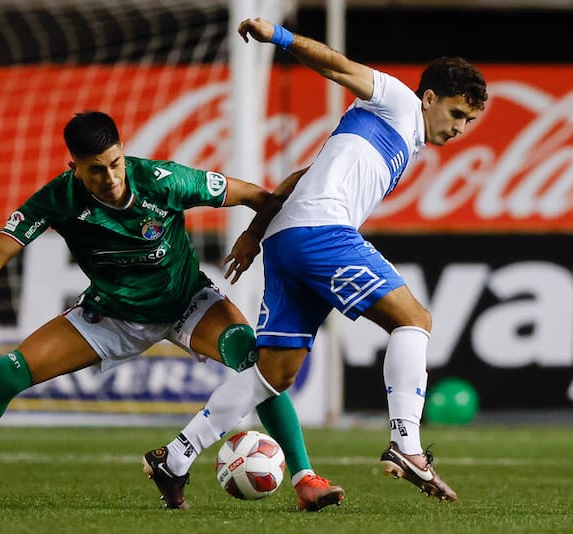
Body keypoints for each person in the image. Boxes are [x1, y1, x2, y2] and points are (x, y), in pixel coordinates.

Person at [0, 111, 343, 511]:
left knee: (256, 364)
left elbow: (259, 196)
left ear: (123, 154)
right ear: (74, 168)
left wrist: (255, 236)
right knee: (6, 373)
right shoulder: (57, 200)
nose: (109, 178)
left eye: (115, 163)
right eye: (95, 170)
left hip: (187, 302)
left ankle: (304, 479)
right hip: (111, 315)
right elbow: (2, 248)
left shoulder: (163, 180)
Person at [142, 18, 488, 505]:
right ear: (429, 97)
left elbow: (302, 175)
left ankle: (175, 457)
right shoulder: (399, 101)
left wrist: (256, 231)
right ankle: (406, 444)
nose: (459, 129)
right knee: (414, 320)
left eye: (469, 122)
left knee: (271, 376)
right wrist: (279, 37)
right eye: (456, 113)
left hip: (288, 238)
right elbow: (338, 66)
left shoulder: (402, 141)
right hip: (321, 231)